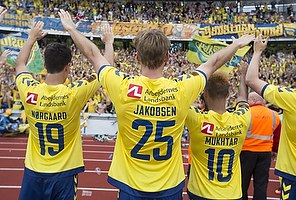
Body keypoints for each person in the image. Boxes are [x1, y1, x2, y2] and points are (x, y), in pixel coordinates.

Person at [59, 8, 255, 199]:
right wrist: (236, 45)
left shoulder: (122, 86)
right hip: (169, 185)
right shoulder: (182, 88)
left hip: (130, 184)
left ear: (137, 57)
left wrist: (72, 29)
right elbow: (213, 63)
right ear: (167, 58)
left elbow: (93, 55)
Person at [15, 17, 112, 200]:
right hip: (64, 174)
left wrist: (31, 39)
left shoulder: (29, 91)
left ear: (45, 66)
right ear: (68, 67)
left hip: (34, 172)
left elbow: (20, 64)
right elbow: (105, 68)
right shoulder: (74, 93)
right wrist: (108, 43)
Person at [185, 62, 251, 200]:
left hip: (200, 193)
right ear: (228, 93)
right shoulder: (242, 119)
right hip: (231, 194)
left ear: (205, 93)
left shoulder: (196, 119)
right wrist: (243, 75)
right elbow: (242, 98)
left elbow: (182, 98)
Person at [246, 34, 296, 199]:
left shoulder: (293, 99)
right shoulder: (277, 112)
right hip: (266, 152)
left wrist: (257, 52)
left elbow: (251, 79)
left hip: (294, 172)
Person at [241, 92, 281, 200]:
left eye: (248, 100)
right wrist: (274, 151)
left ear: (253, 100)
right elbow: (277, 136)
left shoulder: (246, 113)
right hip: (265, 153)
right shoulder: (274, 115)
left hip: (246, 152)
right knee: (261, 184)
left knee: (242, 183)